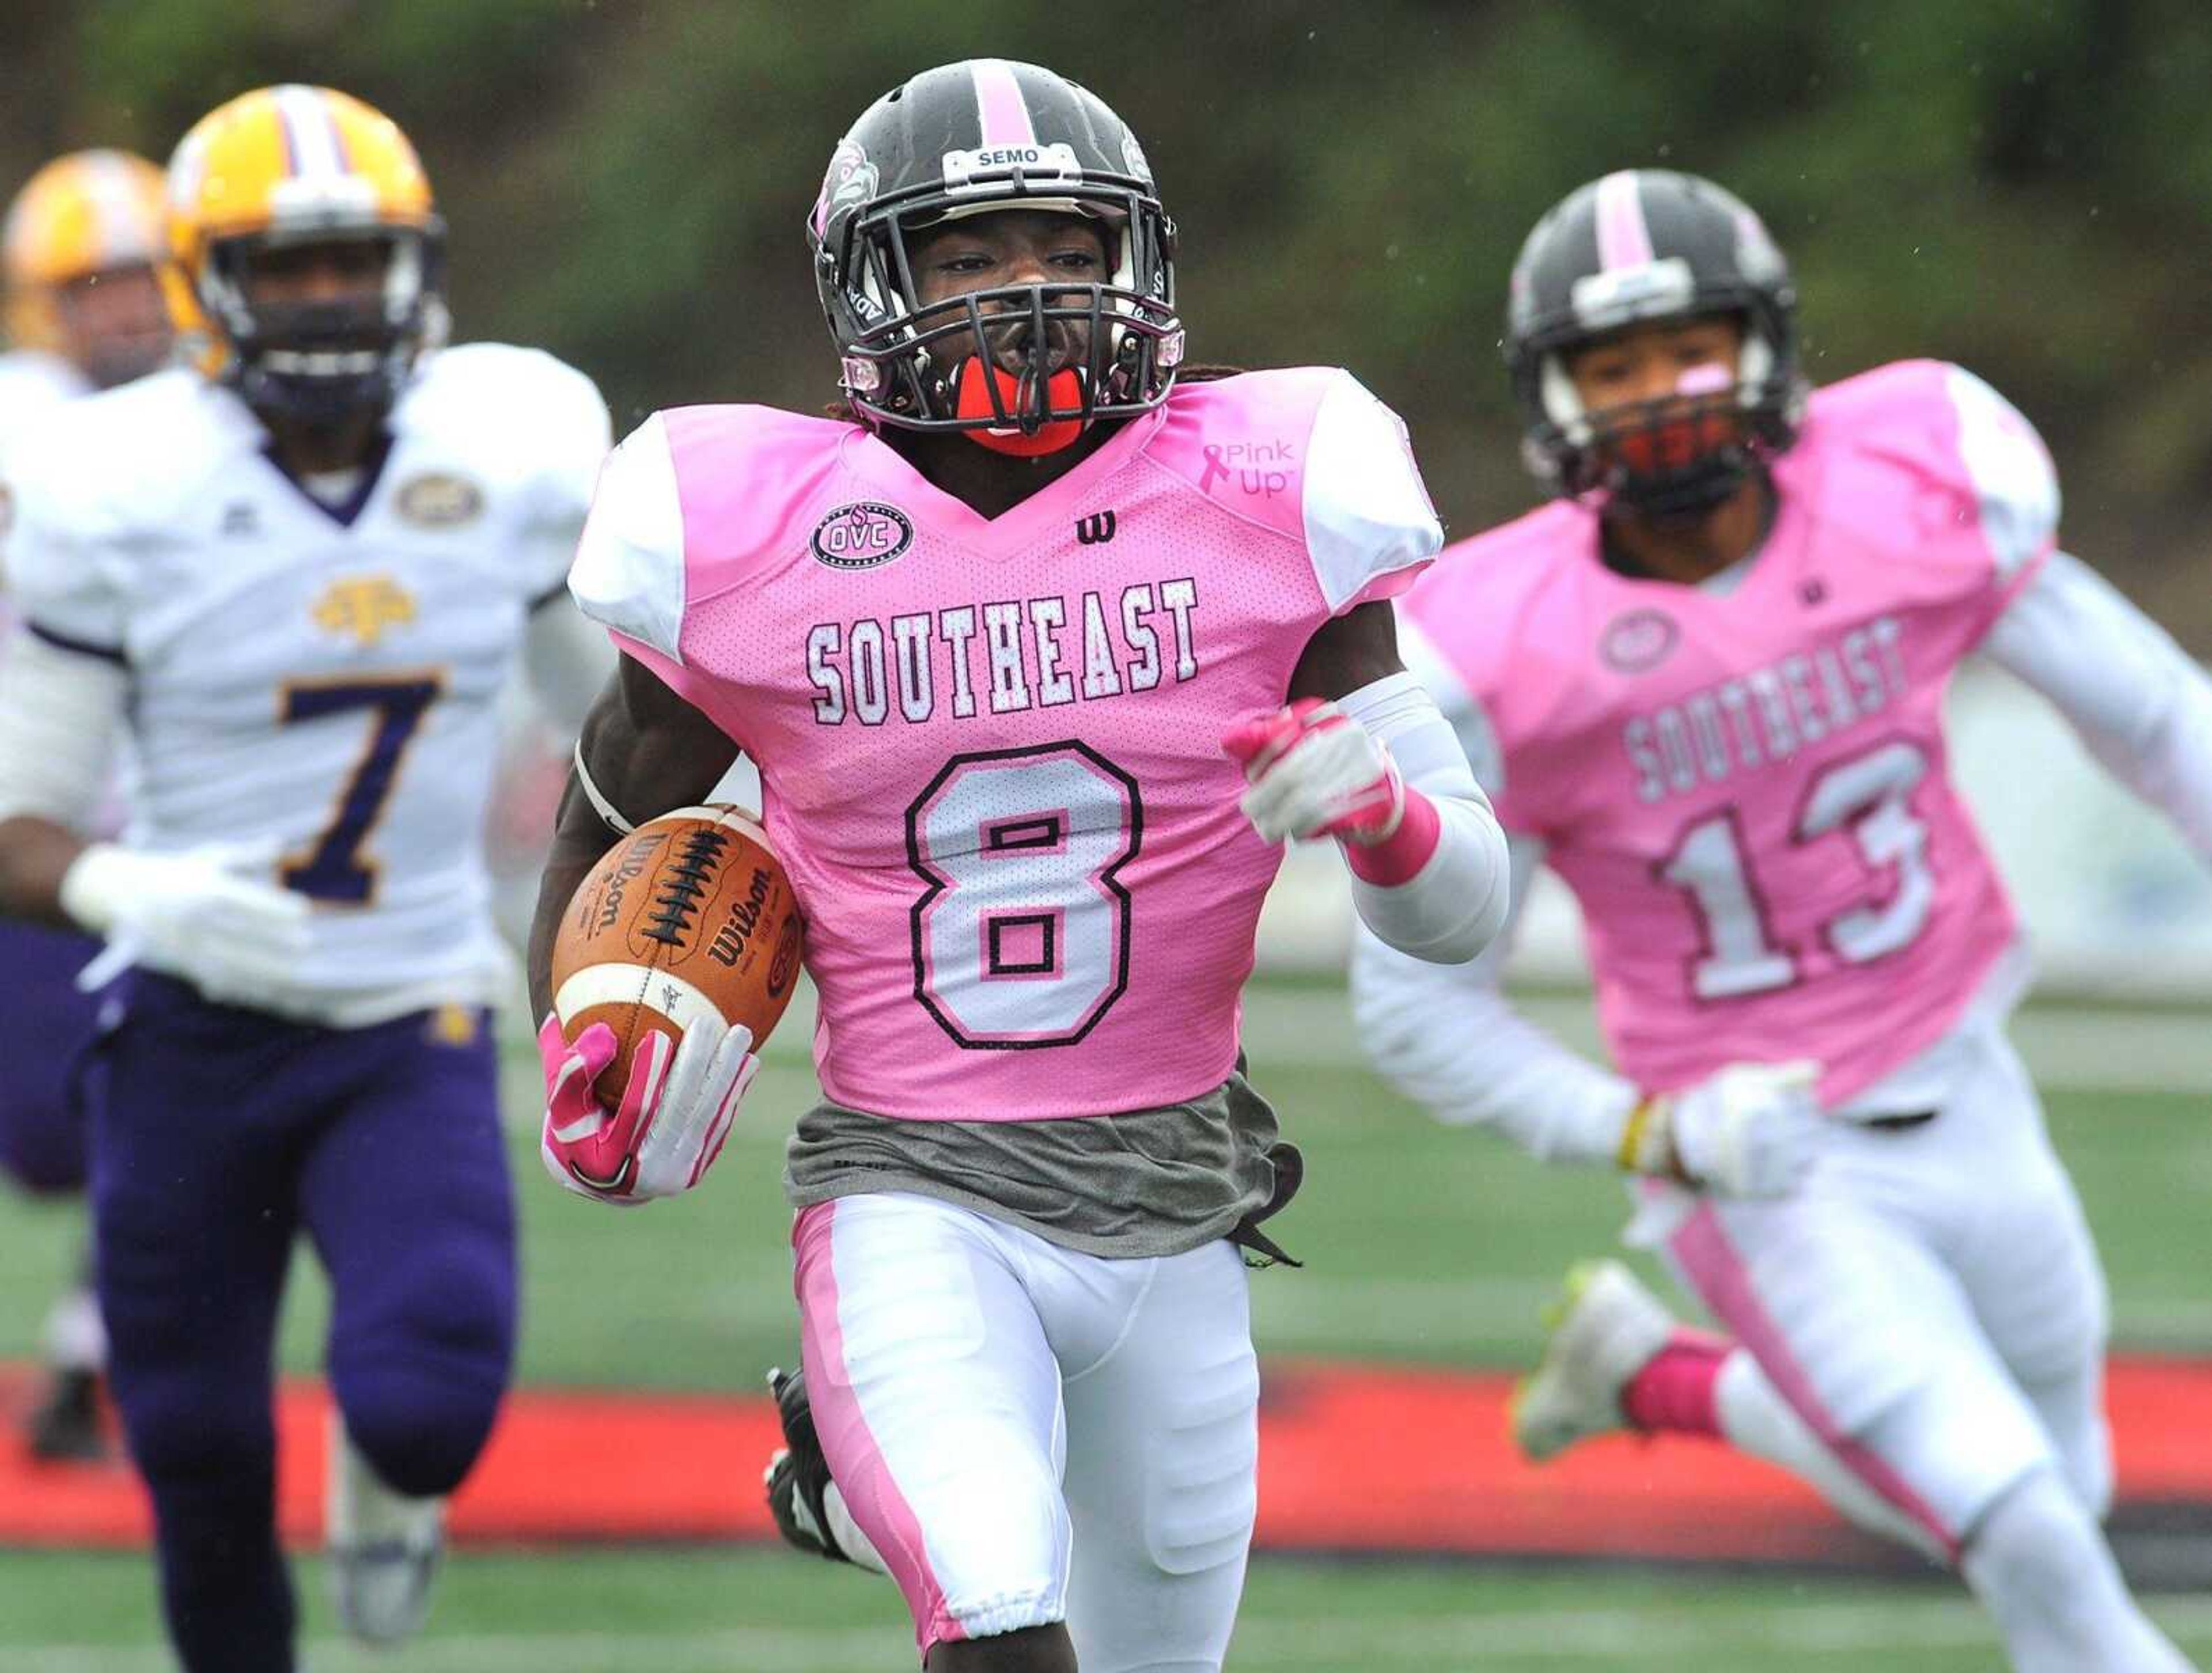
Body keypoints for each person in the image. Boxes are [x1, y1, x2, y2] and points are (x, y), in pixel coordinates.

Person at [529, 57, 1508, 1673]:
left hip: (1179, 1200)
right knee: (999, 1618)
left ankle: (857, 1503)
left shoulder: (1274, 484)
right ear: (873, 289)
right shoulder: (753, 527)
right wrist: (586, 1037)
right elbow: (605, 814)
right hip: (913, 1191)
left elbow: (1465, 912)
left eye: (1064, 246)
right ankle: (898, 1503)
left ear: (1139, 264)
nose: (1028, 292)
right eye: (969, 259)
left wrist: (1379, 817)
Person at [1350, 169, 2210, 1673]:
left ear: (1765, 349)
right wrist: (1650, 1136)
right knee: (2026, 1533)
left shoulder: (1911, 487)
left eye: (1684, 347)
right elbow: (1417, 1006)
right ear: (1551, 396)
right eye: (1609, 364)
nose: (1656, 394)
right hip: (1767, 1159)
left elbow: (2155, 717)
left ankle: (1660, 1376)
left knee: (2062, 1485)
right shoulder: (1498, 646)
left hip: (1974, 1084)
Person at [0, 85, 612, 1671]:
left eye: (355, 261)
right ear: (215, 282)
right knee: (196, 1460)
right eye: (288, 267)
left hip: (406, 1009)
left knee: (425, 1405)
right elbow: (20, 820)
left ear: (414, 266)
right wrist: (131, 896)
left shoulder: (508, 448)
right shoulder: (113, 485)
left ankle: (391, 1493)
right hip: (189, 1032)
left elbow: (614, 720)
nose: (329, 297)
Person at [0, 147, 174, 1462]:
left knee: (154, 1117)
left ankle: (83, 1361)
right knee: (57, 1137)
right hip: (24, 836)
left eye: (145, 279)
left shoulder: (217, 421)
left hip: (153, 841)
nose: (126, 311)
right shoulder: (28, 414)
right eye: (94, 284)